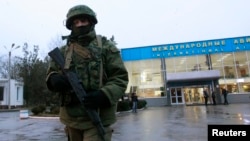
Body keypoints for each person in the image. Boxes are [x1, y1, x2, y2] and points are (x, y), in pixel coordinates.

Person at [46, 5, 129, 141]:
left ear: (91, 22)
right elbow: (51, 73)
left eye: (83, 21)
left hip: (98, 116)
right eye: (76, 22)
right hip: (71, 118)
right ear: (71, 26)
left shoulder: (106, 48)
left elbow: (120, 78)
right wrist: (54, 79)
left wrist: (104, 94)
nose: (80, 25)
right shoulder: (63, 51)